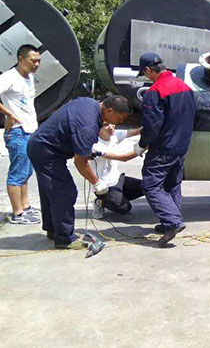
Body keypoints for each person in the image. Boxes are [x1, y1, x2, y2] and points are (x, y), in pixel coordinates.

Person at [27, 96, 132, 249]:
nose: (119, 123)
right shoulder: (88, 125)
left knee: (51, 192)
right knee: (65, 192)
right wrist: (97, 183)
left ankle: (54, 229)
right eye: (119, 118)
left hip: (41, 145)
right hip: (47, 152)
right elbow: (80, 162)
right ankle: (65, 239)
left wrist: (84, 150)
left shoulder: (89, 103)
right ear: (109, 111)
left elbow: (74, 134)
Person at [133, 53, 196, 247]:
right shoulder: (185, 87)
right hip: (181, 146)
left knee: (151, 185)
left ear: (148, 70)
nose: (146, 77)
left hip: (163, 148)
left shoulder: (155, 91)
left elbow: (152, 126)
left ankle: (172, 221)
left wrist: (142, 144)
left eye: (144, 73)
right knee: (172, 184)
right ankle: (169, 222)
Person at [0, 45, 41, 225]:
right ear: (20, 59)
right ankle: (17, 213)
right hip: (17, 132)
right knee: (17, 173)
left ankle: (25, 206)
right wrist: (8, 114)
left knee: (26, 170)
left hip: (30, 130)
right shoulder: (9, 77)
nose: (36, 64)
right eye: (33, 61)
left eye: (38, 61)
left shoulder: (29, 77)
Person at [91, 123, 144, 217]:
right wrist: (142, 147)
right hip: (104, 187)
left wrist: (154, 124)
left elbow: (136, 131)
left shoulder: (114, 135)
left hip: (118, 179)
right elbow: (123, 158)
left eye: (112, 123)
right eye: (106, 125)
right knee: (124, 207)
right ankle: (100, 201)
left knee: (148, 187)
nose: (111, 127)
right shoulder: (95, 145)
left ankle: (115, 198)